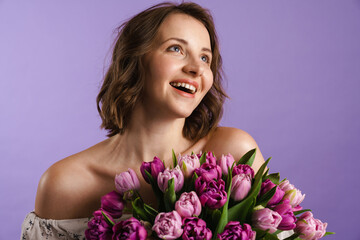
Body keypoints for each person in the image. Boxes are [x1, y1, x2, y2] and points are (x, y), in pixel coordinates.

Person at [21, 2, 265, 239]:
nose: (196, 68)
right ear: (134, 59)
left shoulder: (233, 155)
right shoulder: (64, 185)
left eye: (205, 58)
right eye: (176, 49)